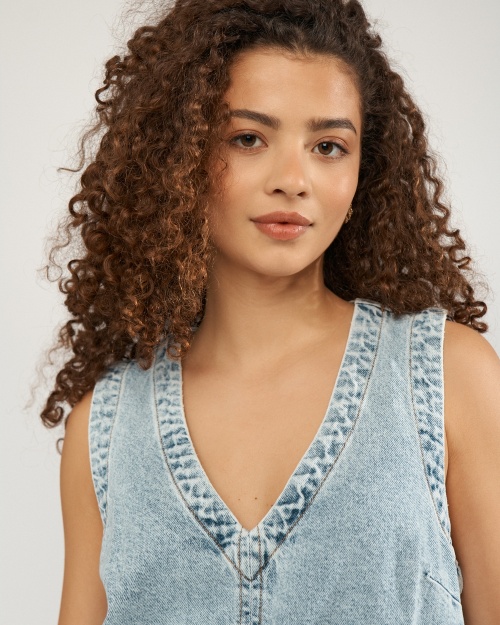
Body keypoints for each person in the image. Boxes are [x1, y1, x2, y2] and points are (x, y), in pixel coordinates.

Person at [42, 1, 500, 623]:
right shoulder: (104, 428)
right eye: (248, 139)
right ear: (178, 156)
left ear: (364, 171)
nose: (293, 179)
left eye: (329, 146)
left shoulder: (449, 378)